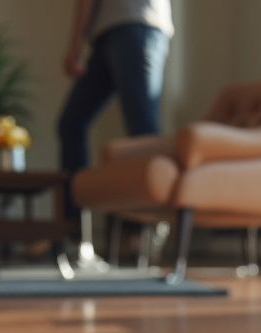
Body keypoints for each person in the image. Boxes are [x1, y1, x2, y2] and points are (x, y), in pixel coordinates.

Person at [57, 0, 174, 224]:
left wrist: (75, 47)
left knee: (142, 132)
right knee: (71, 123)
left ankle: (147, 227)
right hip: (109, 31)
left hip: (134, 22)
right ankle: (74, 227)